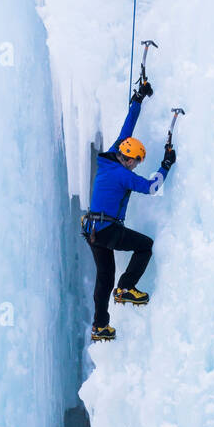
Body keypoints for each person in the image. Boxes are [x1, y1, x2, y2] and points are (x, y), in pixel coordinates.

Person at [83, 80, 176, 341]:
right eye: (136, 162)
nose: (135, 166)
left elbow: (128, 126)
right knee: (145, 246)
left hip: (92, 230)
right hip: (107, 229)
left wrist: (138, 99)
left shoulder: (112, 155)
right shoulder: (124, 175)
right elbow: (152, 188)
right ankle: (126, 288)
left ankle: (100, 326)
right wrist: (166, 165)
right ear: (129, 158)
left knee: (104, 277)